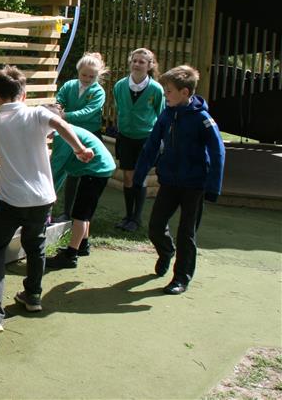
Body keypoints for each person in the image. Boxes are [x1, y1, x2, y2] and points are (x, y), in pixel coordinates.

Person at [0, 65, 93, 334]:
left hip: (12, 201)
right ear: (24, 94)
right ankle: (32, 296)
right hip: (43, 198)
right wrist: (79, 149)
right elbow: (60, 123)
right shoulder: (37, 114)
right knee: (36, 246)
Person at [132, 65, 224, 295]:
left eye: (169, 91)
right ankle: (166, 251)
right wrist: (139, 174)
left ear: (185, 92)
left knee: (186, 233)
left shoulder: (202, 118)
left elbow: (218, 151)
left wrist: (213, 187)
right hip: (170, 182)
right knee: (155, 227)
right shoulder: (166, 114)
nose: (166, 95)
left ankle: (181, 278)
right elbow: (151, 146)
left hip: (194, 184)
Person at [44, 121, 115, 269]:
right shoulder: (66, 131)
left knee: (80, 215)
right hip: (99, 168)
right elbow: (62, 170)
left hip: (96, 170)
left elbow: (57, 167)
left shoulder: (62, 137)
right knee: (85, 211)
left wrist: (48, 195)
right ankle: (82, 245)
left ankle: (70, 256)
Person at [112, 48, 164, 232]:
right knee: (127, 176)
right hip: (125, 137)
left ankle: (137, 217)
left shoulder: (156, 89)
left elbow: (161, 114)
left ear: (150, 65)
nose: (137, 64)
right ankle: (128, 214)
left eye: (142, 62)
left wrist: (161, 140)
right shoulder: (119, 86)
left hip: (145, 138)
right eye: (134, 60)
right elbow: (119, 108)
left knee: (140, 177)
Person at [51, 52, 108, 222]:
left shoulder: (98, 92)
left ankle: (81, 216)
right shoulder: (69, 85)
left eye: (92, 76)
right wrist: (58, 107)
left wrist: (64, 116)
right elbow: (59, 99)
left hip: (89, 136)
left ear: (97, 75)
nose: (87, 78)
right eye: (84, 74)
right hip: (67, 133)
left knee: (85, 175)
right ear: (78, 71)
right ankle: (65, 212)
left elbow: (88, 112)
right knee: (67, 172)